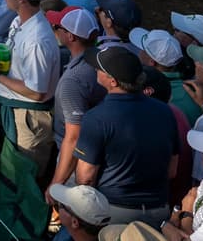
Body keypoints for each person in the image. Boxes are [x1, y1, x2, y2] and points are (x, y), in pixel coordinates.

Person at [73, 45, 180, 226]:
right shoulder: (165, 111)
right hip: (158, 212)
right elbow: (171, 170)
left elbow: (85, 178)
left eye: (99, 68)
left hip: (114, 213)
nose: (95, 69)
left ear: (113, 81)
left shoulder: (96, 118)